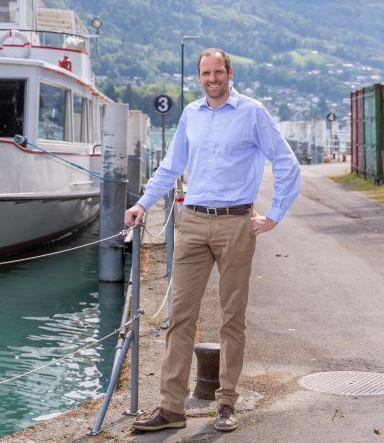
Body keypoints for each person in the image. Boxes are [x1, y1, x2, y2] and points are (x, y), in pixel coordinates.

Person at [125, 48, 300, 433]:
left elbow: (287, 162)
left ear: (229, 73)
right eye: (205, 73)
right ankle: (172, 408)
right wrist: (142, 204)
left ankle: (226, 403)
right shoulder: (191, 114)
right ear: (199, 76)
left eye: (218, 72)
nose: (212, 79)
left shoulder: (252, 113)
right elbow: (171, 166)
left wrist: (274, 215)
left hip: (237, 224)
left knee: (232, 319)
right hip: (192, 223)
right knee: (179, 317)